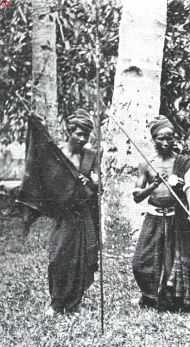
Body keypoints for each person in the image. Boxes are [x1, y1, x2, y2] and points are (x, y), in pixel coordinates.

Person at [19, 110, 99, 316]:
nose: (82, 139)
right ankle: (56, 303)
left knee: (84, 258)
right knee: (58, 258)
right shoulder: (57, 155)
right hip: (63, 214)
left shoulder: (90, 156)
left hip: (83, 213)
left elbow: (97, 186)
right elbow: (43, 179)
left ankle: (74, 303)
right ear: (69, 131)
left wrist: (90, 182)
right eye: (78, 134)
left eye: (86, 136)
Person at [131, 116, 190, 312]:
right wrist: (153, 185)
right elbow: (137, 196)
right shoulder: (146, 163)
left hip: (175, 217)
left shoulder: (183, 162)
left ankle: (170, 300)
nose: (165, 143)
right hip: (153, 216)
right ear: (153, 139)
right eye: (160, 138)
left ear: (175, 139)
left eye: (170, 138)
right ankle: (149, 294)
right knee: (141, 262)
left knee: (174, 263)